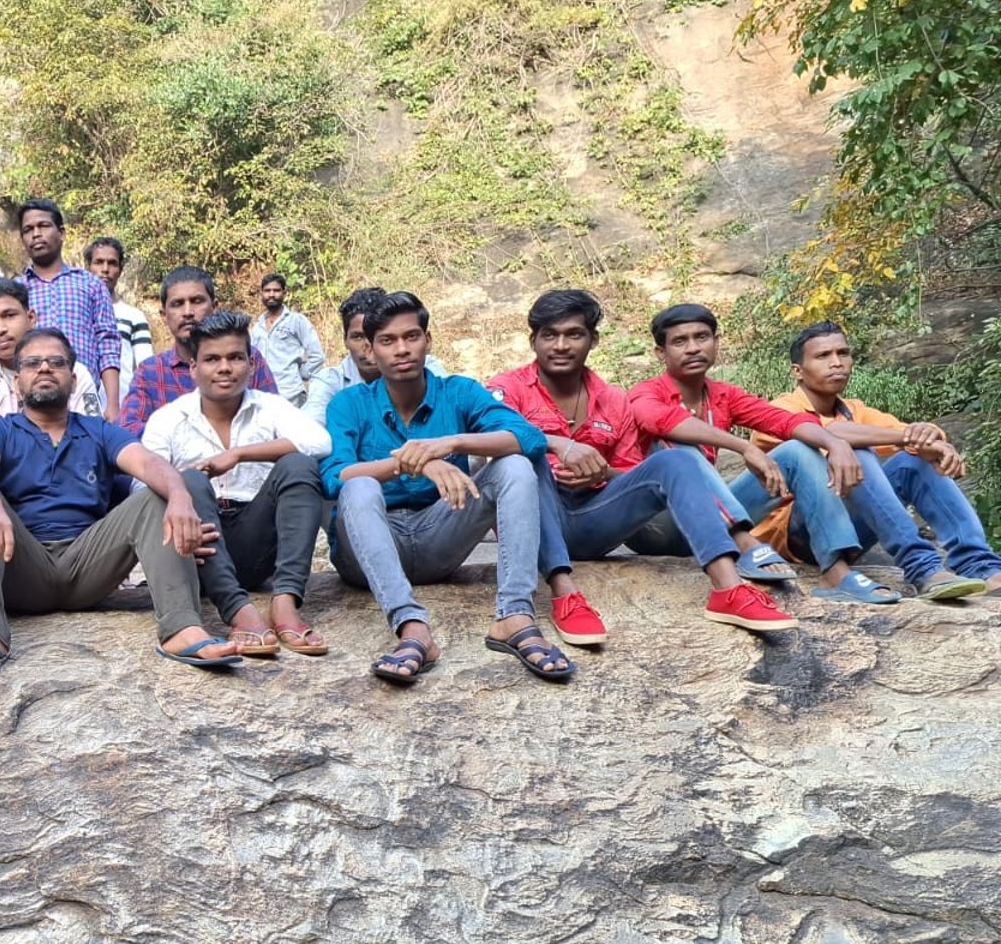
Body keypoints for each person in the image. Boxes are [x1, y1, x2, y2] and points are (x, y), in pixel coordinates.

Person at [487, 290, 798, 635]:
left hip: (593, 520)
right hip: (532, 523)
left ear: (593, 340)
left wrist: (602, 473)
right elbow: (490, 439)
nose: (560, 345)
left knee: (677, 459)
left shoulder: (614, 400)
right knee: (525, 459)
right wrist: (557, 446)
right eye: (549, 334)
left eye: (574, 334)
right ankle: (565, 593)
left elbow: (633, 474)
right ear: (533, 341)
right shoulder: (508, 387)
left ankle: (728, 589)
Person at [323, 292, 576, 685]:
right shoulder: (349, 402)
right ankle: (412, 629)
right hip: (369, 549)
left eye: (412, 337)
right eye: (388, 341)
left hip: (439, 538)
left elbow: (527, 437)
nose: (402, 349)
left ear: (428, 340)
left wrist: (453, 443)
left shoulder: (457, 391)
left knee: (515, 467)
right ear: (370, 349)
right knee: (358, 487)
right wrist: (418, 463)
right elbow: (333, 477)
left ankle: (514, 616)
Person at [0, 327, 245, 671]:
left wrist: (180, 496)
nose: (45, 368)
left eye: (57, 362)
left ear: (74, 379)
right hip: (21, 566)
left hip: (88, 565)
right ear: (17, 380)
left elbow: (148, 462)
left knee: (158, 496)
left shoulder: (98, 431)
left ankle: (182, 628)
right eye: (33, 363)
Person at [627, 304, 873, 603]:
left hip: (707, 521)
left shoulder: (724, 395)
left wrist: (835, 443)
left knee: (797, 450)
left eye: (702, 337)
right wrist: (744, 446)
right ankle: (744, 544)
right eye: (680, 341)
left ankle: (837, 573)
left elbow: (785, 420)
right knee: (677, 449)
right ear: (660, 353)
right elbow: (659, 420)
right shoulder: (645, 392)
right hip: (654, 523)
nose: (693, 348)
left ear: (716, 343)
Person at [749, 322, 999, 600]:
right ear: (798, 370)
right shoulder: (778, 410)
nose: (836, 363)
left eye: (843, 353)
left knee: (911, 462)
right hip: (800, 536)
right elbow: (830, 434)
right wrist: (909, 436)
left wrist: (932, 438)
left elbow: (908, 436)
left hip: (850, 529)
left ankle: (980, 565)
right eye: (823, 356)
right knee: (852, 451)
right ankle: (923, 568)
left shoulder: (855, 409)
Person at [142, 312, 332, 656]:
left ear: (251, 364)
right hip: (199, 549)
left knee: (299, 465)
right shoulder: (168, 418)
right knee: (187, 481)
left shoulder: (270, 407)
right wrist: (179, 513)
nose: (224, 367)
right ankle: (238, 611)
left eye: (235, 357)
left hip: (256, 540)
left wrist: (240, 454)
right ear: (193, 369)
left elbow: (319, 442)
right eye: (212, 359)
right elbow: (139, 490)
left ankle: (285, 601)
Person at [120, 266, 280, 434]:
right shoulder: (150, 372)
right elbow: (128, 431)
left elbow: (277, 421)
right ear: (164, 315)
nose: (188, 312)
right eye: (177, 304)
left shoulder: (246, 359)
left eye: (197, 301)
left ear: (214, 307)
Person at [0, 278, 103, 434]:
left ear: (31, 318)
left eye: (9, 316)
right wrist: (9, 432)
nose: (0, 329)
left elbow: (94, 429)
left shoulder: (71, 371)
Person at [14, 198, 123, 418]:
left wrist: (112, 404)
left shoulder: (90, 284)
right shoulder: (16, 289)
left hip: (83, 397)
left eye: (43, 226)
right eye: (28, 229)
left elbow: (108, 343)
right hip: (33, 400)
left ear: (61, 233)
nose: (36, 234)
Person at [304, 287, 449, 426]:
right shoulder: (330, 382)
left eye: (382, 338)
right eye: (358, 337)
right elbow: (311, 432)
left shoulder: (423, 368)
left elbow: (450, 409)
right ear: (345, 341)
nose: (368, 345)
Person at [83, 236, 156, 400]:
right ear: (88, 267)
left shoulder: (133, 316)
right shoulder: (78, 313)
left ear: (120, 269)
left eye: (112, 263)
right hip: (82, 404)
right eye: (98, 262)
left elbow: (146, 367)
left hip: (123, 406)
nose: (105, 269)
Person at [250, 274, 325, 407]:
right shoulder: (258, 326)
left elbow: (317, 356)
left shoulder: (296, 321)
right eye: (267, 291)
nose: (271, 295)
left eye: (276, 290)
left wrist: (301, 374)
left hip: (290, 394)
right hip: (263, 395)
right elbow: (252, 359)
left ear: (284, 293)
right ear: (262, 293)